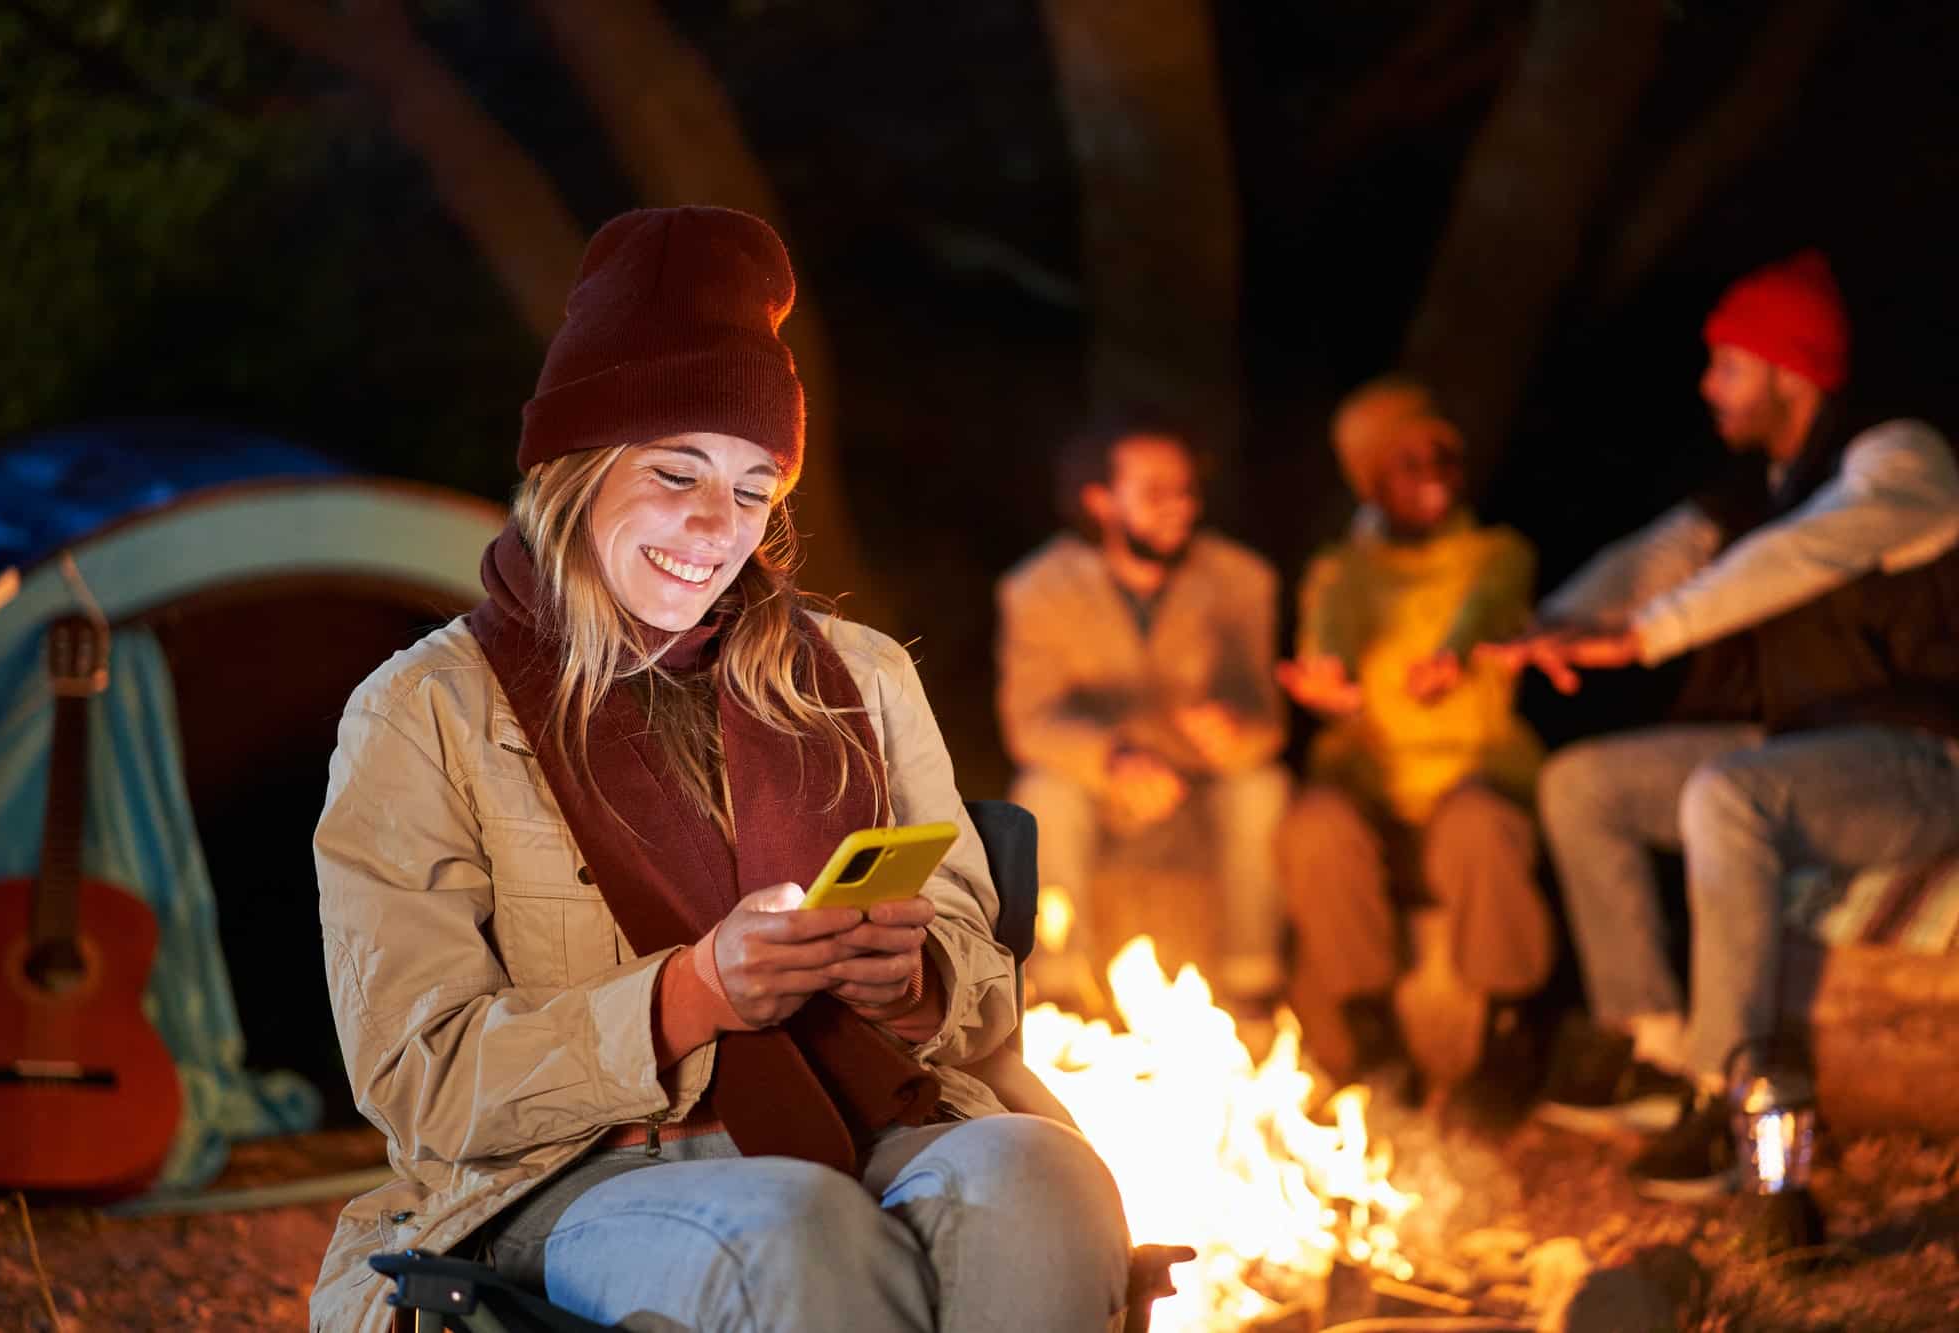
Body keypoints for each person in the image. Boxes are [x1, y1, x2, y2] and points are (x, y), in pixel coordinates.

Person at [309, 207, 1131, 1332]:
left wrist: (913, 977)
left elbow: (977, 977)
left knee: (1043, 1177)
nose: (714, 524)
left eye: (752, 490)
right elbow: (424, 1078)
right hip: (579, 1173)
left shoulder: (861, 676)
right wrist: (691, 992)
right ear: (575, 470)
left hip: (875, 1119)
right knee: (793, 1226)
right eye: (676, 472)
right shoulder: (424, 713)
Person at [1489, 250, 1959, 1198]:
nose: (1708, 385)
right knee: (1584, 784)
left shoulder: (1900, 458)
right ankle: (1652, 1045)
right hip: (1799, 750)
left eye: (1727, 363)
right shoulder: (1757, 486)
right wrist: (1539, 634)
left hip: (1918, 761)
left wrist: (1650, 635)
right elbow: (1658, 554)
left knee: (1726, 793)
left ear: (1788, 370)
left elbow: (1798, 553)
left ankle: (1727, 1088)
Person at [1276, 377, 1555, 1086]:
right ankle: (1370, 1033)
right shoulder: (1341, 572)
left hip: (1470, 778)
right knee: (1315, 826)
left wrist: (1454, 653)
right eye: (1408, 460)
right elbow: (1330, 629)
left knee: (1480, 824)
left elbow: (1488, 606)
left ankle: (1509, 1028)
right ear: (1371, 480)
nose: (1431, 472)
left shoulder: (1496, 553)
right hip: (1377, 793)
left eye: (1444, 455)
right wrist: (1331, 678)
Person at [996, 421, 1291, 1010]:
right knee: (1040, 793)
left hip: (1200, 790)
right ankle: (1059, 989)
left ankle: (1252, 985)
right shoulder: (1039, 590)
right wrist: (1113, 758)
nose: (1179, 507)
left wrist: (1235, 731)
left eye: (1185, 491)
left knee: (1264, 787)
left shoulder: (1240, 581)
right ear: (1100, 499)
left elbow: (1268, 723)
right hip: (1102, 791)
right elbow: (1029, 722)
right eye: (1156, 492)